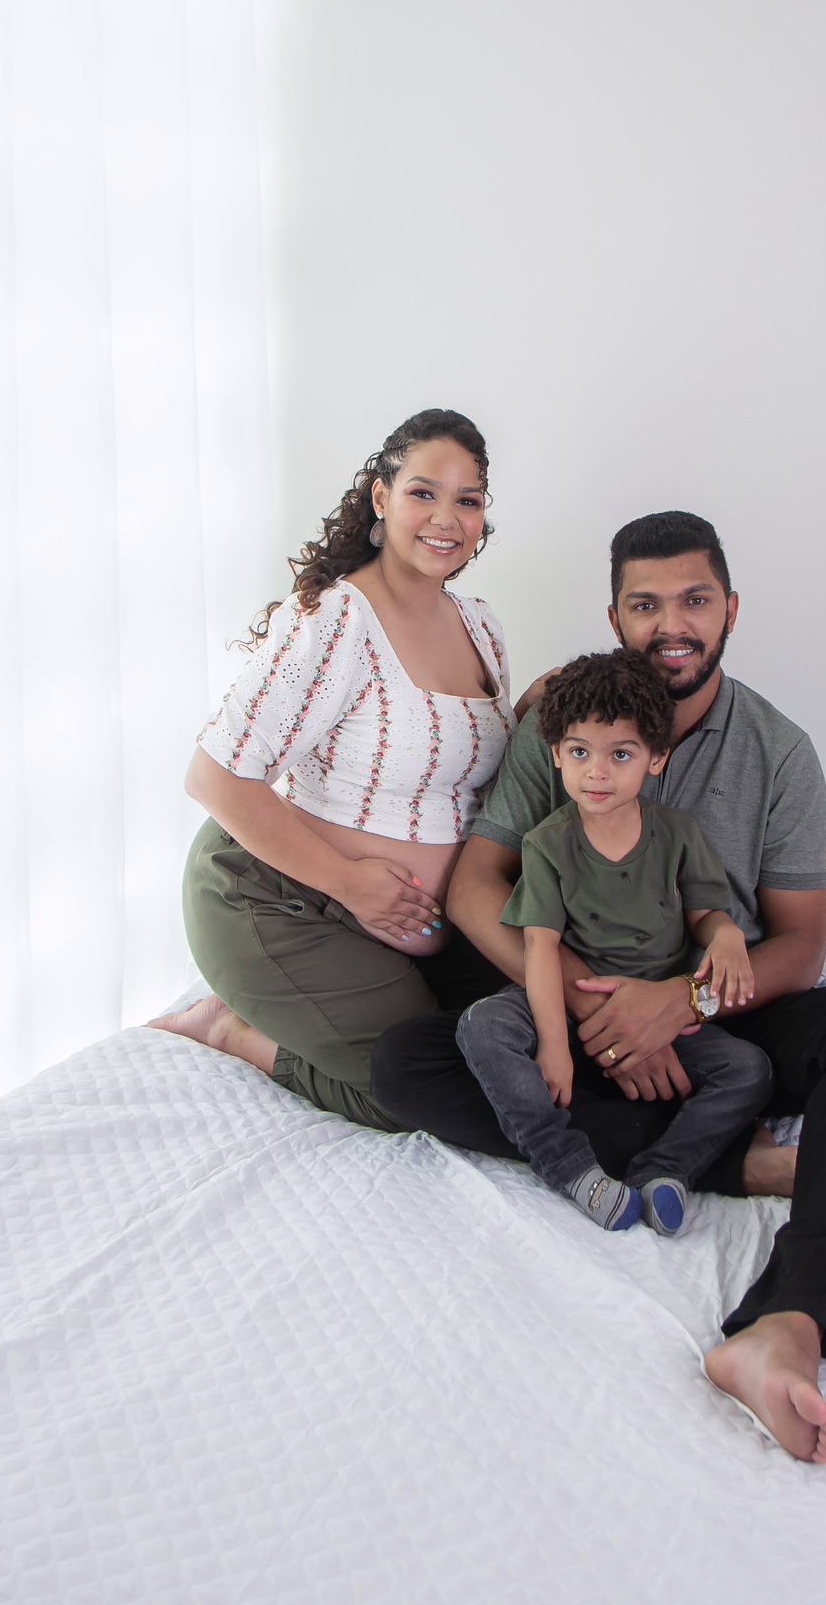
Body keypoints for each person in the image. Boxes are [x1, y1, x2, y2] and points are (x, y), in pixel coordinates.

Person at [370, 510, 826, 1464]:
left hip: (725, 1014)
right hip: (578, 1002)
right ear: (615, 616)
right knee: (407, 1064)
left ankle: (785, 1325)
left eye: (695, 600)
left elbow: (800, 944)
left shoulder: (778, 751)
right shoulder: (562, 720)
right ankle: (730, 1159)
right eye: (645, 604)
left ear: (730, 610)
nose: (672, 624)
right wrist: (588, 1009)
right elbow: (474, 887)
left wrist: (680, 1006)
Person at [150, 408, 514, 1131]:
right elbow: (212, 777)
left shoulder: (480, 624)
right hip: (274, 898)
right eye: (423, 492)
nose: (446, 518)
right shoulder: (336, 619)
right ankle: (233, 1030)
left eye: (467, 500)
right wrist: (350, 883)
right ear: (382, 497)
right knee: (417, 1092)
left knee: (501, 1057)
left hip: (401, 931)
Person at [456, 648, 773, 1235]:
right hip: (561, 1005)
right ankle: (571, 1168)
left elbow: (706, 915)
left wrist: (726, 934)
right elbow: (540, 950)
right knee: (482, 1026)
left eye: (620, 754)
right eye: (580, 752)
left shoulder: (677, 836)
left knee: (749, 1069)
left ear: (656, 757)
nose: (597, 772)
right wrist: (554, 1045)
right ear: (555, 752)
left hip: (654, 1018)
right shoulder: (547, 844)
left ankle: (667, 1170)